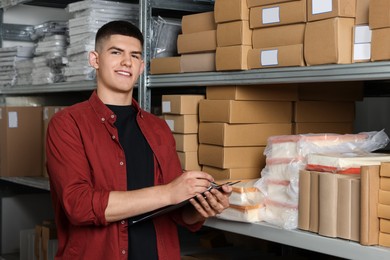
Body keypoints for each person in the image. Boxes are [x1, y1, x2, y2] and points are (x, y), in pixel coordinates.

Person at [46, 20, 232, 260]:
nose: (126, 61)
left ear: (142, 66)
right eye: (116, 52)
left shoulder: (158, 128)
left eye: (134, 55)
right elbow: (78, 206)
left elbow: (176, 212)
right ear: (95, 59)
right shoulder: (68, 124)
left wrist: (202, 207)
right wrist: (168, 192)